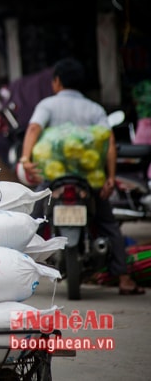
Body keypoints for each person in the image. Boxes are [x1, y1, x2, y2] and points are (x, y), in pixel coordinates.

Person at [19, 57, 145, 295]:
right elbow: (109, 142)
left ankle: (18, 272)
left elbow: (34, 128)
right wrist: (110, 177)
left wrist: (25, 159)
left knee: (32, 222)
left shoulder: (47, 105)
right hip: (89, 181)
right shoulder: (94, 108)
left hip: (52, 179)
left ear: (56, 82)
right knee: (109, 225)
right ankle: (125, 279)